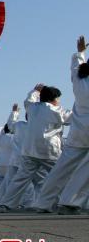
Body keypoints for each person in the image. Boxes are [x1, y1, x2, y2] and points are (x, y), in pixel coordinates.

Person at [34, 36, 89, 214]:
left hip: (78, 130)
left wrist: (80, 52)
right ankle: (70, 202)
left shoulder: (79, 80)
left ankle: (43, 203)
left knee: (61, 168)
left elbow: (76, 66)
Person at [0, 85, 71, 212]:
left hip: (29, 151)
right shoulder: (57, 111)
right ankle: (59, 204)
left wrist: (35, 91)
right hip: (49, 151)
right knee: (60, 177)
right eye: (58, 99)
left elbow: (28, 100)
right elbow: (73, 118)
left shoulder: (32, 108)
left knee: (20, 180)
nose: (59, 101)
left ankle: (5, 204)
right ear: (53, 99)